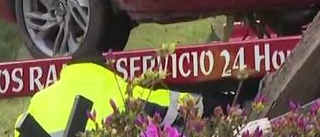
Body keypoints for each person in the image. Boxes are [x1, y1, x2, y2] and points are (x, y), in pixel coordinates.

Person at [15, 46, 204, 136]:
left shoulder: (38, 101)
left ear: (67, 69)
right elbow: (183, 105)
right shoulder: (120, 89)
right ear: (108, 68)